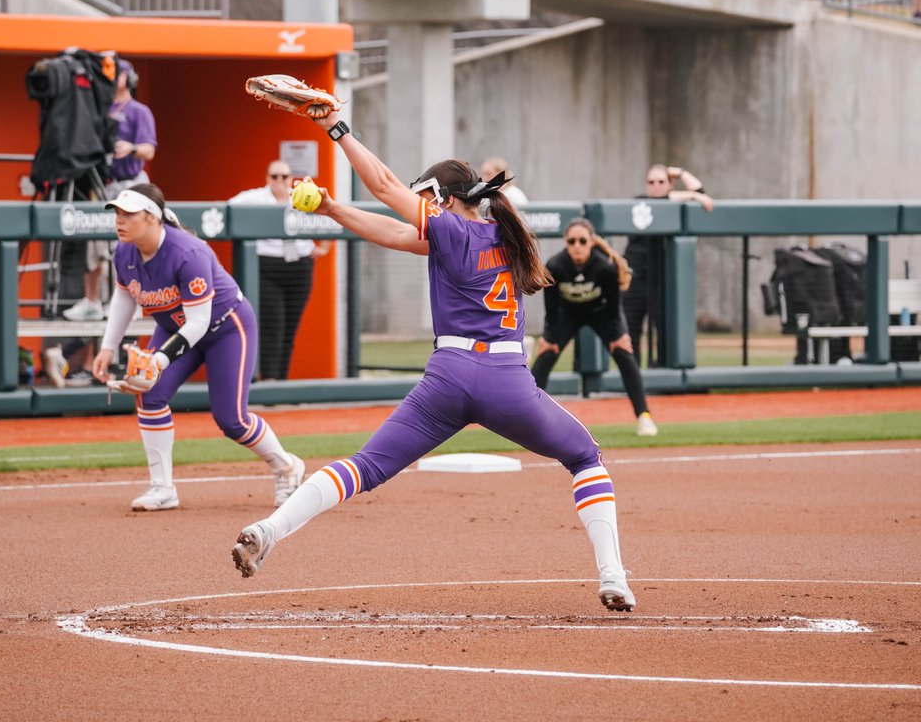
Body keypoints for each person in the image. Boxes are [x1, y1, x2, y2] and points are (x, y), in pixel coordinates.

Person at [230, 110, 638, 613]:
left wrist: (337, 128)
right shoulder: (505, 235)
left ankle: (271, 530)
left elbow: (382, 186)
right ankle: (613, 575)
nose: (418, 207)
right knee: (584, 458)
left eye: (424, 197)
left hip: (449, 377)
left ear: (442, 200)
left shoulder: (450, 230)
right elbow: (393, 231)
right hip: (509, 380)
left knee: (364, 466)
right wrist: (333, 208)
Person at [89, 183, 305, 511]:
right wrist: (108, 346)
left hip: (226, 328)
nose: (120, 220)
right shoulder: (124, 251)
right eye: (118, 213)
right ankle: (162, 488)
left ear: (152, 218)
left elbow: (199, 322)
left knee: (232, 419)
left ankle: (287, 467)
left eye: (129, 214)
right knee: (149, 395)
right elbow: (124, 295)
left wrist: (159, 359)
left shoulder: (187, 253)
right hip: (175, 328)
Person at [532, 217, 658, 437]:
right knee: (545, 355)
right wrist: (549, 338)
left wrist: (617, 336)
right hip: (568, 313)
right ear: (565, 242)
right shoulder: (555, 266)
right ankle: (528, 417)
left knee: (625, 353)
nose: (577, 246)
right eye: (572, 241)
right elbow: (551, 309)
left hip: (600, 313)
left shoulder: (605, 267)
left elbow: (613, 306)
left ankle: (644, 416)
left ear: (591, 242)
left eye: (582, 240)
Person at [63, 59, 158, 322]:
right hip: (103, 185)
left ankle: (133, 302)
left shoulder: (139, 111)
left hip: (132, 184)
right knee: (95, 244)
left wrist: (131, 148)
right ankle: (92, 301)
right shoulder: (100, 110)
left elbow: (149, 149)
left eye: (116, 74)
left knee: (128, 246)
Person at [227, 160, 330, 380]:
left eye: (284, 177)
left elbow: (331, 216)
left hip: (300, 265)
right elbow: (226, 209)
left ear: (291, 178)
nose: (280, 181)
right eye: (275, 177)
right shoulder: (254, 198)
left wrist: (323, 247)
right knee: (273, 324)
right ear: (268, 178)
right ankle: (270, 379)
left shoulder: (302, 196)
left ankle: (281, 382)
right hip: (268, 266)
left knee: (290, 327)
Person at [621, 164, 713, 368]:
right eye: (651, 182)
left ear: (670, 184)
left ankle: (663, 373)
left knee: (664, 328)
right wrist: (691, 196)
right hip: (635, 277)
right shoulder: (638, 203)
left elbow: (704, 197)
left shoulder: (675, 205)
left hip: (662, 278)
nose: (655, 186)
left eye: (661, 182)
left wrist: (681, 173)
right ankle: (633, 375)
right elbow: (663, 202)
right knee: (630, 328)